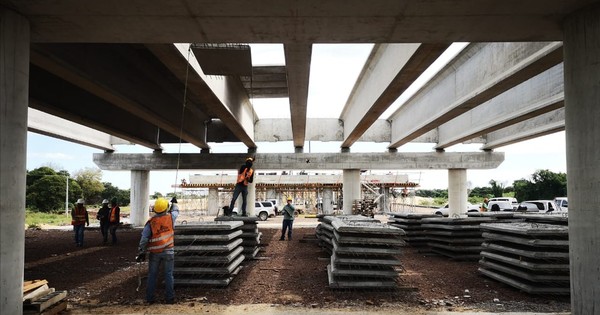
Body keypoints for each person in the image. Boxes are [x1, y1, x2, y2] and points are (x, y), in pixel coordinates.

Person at [136, 197, 179, 305]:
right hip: (169, 251)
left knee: (152, 275)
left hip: (155, 253)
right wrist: (173, 203)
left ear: (155, 210)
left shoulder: (151, 222)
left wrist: (141, 251)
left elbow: (144, 239)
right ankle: (170, 299)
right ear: (166, 208)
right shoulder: (171, 217)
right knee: (168, 274)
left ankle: (150, 299)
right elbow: (176, 210)